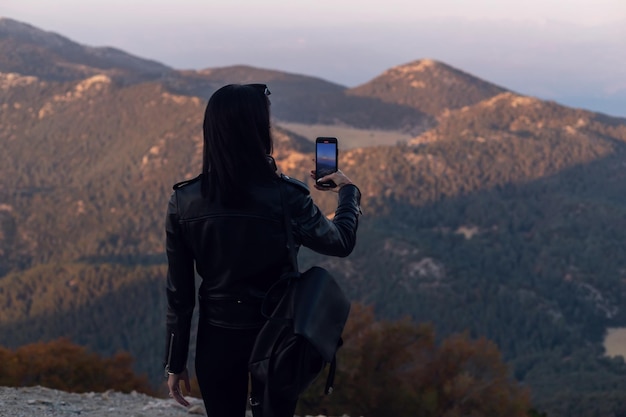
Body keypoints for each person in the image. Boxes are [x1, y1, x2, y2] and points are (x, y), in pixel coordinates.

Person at [163, 83, 361, 417]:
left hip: (217, 338)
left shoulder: (183, 201)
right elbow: (341, 242)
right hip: (279, 336)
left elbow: (179, 294)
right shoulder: (289, 197)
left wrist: (175, 361)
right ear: (258, 132)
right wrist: (348, 191)